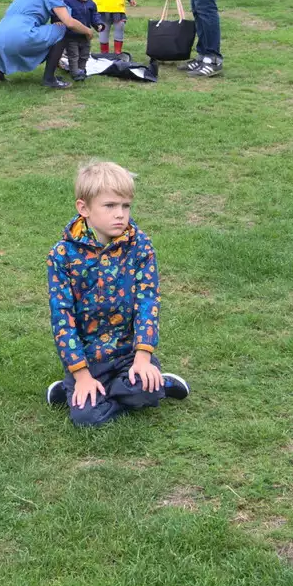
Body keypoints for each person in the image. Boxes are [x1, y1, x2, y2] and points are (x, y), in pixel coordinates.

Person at [44, 161, 190, 427]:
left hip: (127, 355)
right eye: (110, 206)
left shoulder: (140, 245)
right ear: (84, 208)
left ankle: (158, 381)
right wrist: (81, 375)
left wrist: (143, 358)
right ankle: (73, 390)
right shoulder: (62, 255)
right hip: (89, 360)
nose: (120, 214)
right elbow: (62, 318)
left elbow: (148, 302)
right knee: (86, 418)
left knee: (144, 388)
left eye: (125, 206)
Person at [61, 0, 103, 80]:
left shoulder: (90, 2)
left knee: (84, 54)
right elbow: (61, 14)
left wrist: (98, 24)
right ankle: (75, 72)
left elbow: (94, 14)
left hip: (85, 35)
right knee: (73, 55)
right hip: (71, 35)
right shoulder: (67, 1)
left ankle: (82, 69)